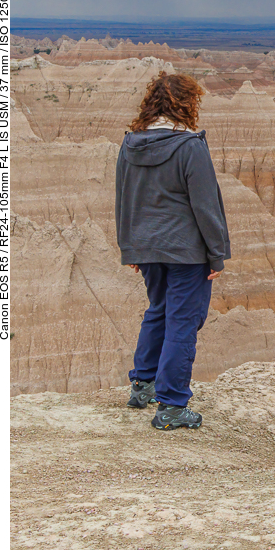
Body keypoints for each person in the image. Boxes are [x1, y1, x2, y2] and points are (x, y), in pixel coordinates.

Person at [115, 71, 231, 431]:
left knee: (158, 310)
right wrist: (217, 254)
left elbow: (123, 197)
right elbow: (206, 204)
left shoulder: (131, 143)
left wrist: (130, 247)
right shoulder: (189, 146)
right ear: (187, 104)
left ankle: (142, 385)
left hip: (148, 247)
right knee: (183, 321)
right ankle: (172, 405)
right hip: (186, 251)